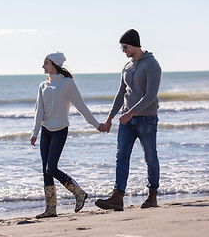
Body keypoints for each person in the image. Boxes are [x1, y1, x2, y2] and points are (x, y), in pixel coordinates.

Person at [31, 52, 104, 218]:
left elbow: (81, 107)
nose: (43, 66)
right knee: (45, 170)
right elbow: (38, 111)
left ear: (54, 65)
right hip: (46, 131)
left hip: (60, 131)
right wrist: (34, 132)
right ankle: (50, 209)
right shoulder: (43, 86)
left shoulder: (67, 84)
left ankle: (79, 193)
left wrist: (97, 125)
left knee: (51, 168)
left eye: (46, 63)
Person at [95, 29, 162, 211]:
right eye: (121, 47)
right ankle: (117, 197)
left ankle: (152, 195)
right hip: (127, 120)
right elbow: (120, 94)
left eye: (125, 46)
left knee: (150, 157)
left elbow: (151, 95)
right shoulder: (127, 67)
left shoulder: (152, 64)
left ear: (134, 45)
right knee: (121, 156)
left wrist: (131, 112)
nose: (123, 50)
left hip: (146, 119)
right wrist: (109, 118)